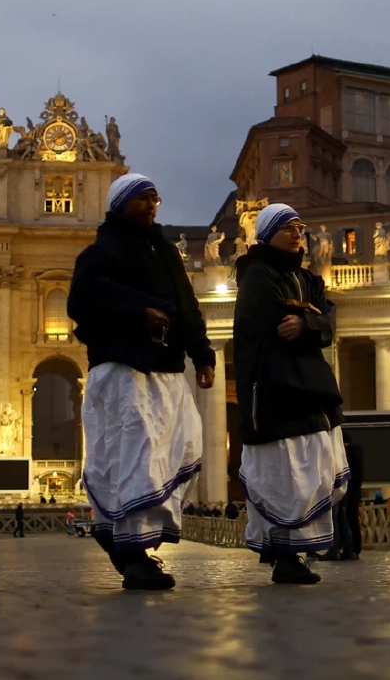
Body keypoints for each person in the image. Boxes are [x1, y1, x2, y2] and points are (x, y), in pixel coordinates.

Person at [69, 173, 214, 590]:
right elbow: (81, 303)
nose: (153, 205)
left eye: (156, 198)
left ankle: (123, 539)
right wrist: (139, 313)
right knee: (137, 456)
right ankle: (133, 555)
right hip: (123, 369)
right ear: (121, 204)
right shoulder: (101, 251)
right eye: (143, 198)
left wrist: (201, 354)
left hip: (166, 370)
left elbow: (188, 306)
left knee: (175, 449)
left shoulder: (167, 252)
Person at [234, 204, 348, 585]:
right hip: (275, 389)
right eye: (287, 227)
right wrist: (308, 317)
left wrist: (307, 320)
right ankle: (284, 554)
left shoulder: (307, 277)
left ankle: (296, 552)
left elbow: (328, 317)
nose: (298, 232)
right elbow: (274, 319)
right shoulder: (257, 275)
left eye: (300, 226)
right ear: (267, 234)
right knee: (285, 473)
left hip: (310, 389)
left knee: (314, 469)